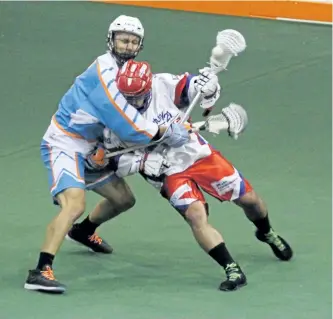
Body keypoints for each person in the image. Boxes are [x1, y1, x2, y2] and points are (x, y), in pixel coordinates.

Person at [79, 59, 293, 292]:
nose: (132, 103)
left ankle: (266, 232)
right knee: (195, 216)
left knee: (250, 201)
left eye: (137, 97)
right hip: (165, 171)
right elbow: (115, 159)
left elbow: (191, 87)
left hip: (196, 155)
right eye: (127, 97)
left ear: (148, 87)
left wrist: (206, 87)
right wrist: (142, 161)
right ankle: (231, 268)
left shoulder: (163, 84)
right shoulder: (114, 113)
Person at [24, 16, 190, 294]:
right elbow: (126, 123)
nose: (127, 45)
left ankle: (83, 232)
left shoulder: (128, 73)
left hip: (93, 147)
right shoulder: (103, 73)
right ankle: (40, 270)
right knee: (74, 204)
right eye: (123, 39)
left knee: (123, 199)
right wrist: (164, 130)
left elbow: (138, 112)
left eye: (133, 41)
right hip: (64, 143)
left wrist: (167, 122)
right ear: (111, 40)